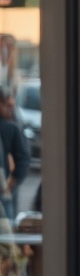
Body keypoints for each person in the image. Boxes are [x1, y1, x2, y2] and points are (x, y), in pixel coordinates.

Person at [0, 88, 28, 220]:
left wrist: (14, 179)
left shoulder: (11, 127)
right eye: (7, 104)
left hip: (5, 187)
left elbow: (23, 157)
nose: (10, 108)